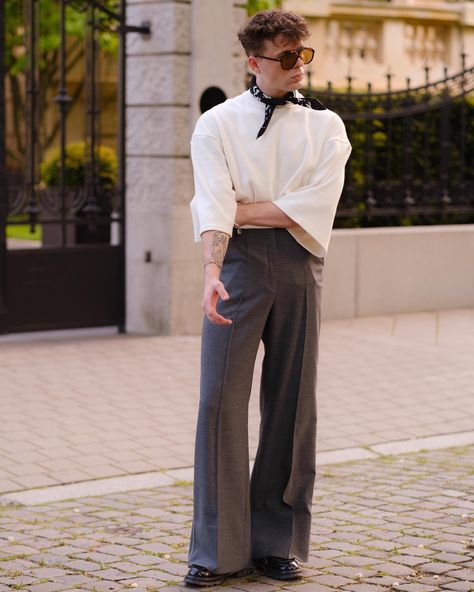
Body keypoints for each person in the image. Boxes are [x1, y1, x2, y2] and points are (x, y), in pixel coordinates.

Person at [184, 9, 351, 588]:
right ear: (254, 63)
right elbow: (210, 202)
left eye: (303, 54)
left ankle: (277, 542)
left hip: (301, 262)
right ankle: (215, 551)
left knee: (292, 403)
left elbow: (314, 207)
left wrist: (239, 207)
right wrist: (210, 268)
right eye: (285, 57)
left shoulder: (327, 127)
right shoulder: (217, 124)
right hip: (234, 266)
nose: (298, 66)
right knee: (218, 403)